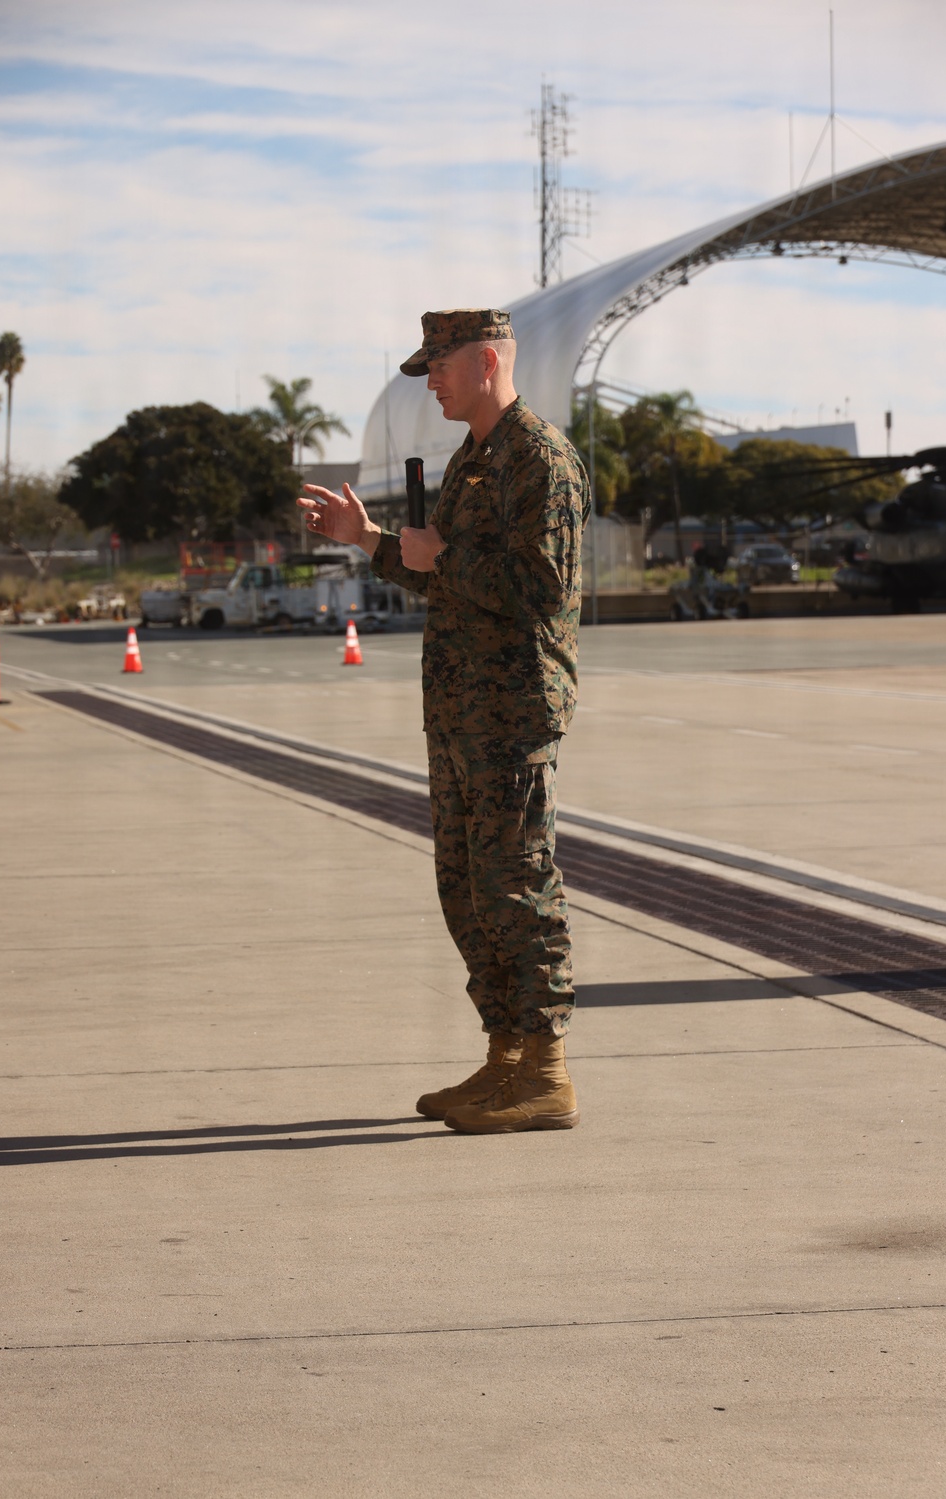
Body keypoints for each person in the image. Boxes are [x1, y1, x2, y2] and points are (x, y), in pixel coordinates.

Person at [298, 308, 591, 1134]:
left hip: (511, 710)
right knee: (466, 888)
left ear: (489, 360)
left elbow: (541, 587)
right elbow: (445, 574)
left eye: (441, 364)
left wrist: (441, 557)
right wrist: (371, 539)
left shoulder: (541, 459)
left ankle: (546, 1070)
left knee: (517, 883)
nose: (431, 379)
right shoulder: (473, 460)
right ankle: (504, 1057)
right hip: (461, 709)